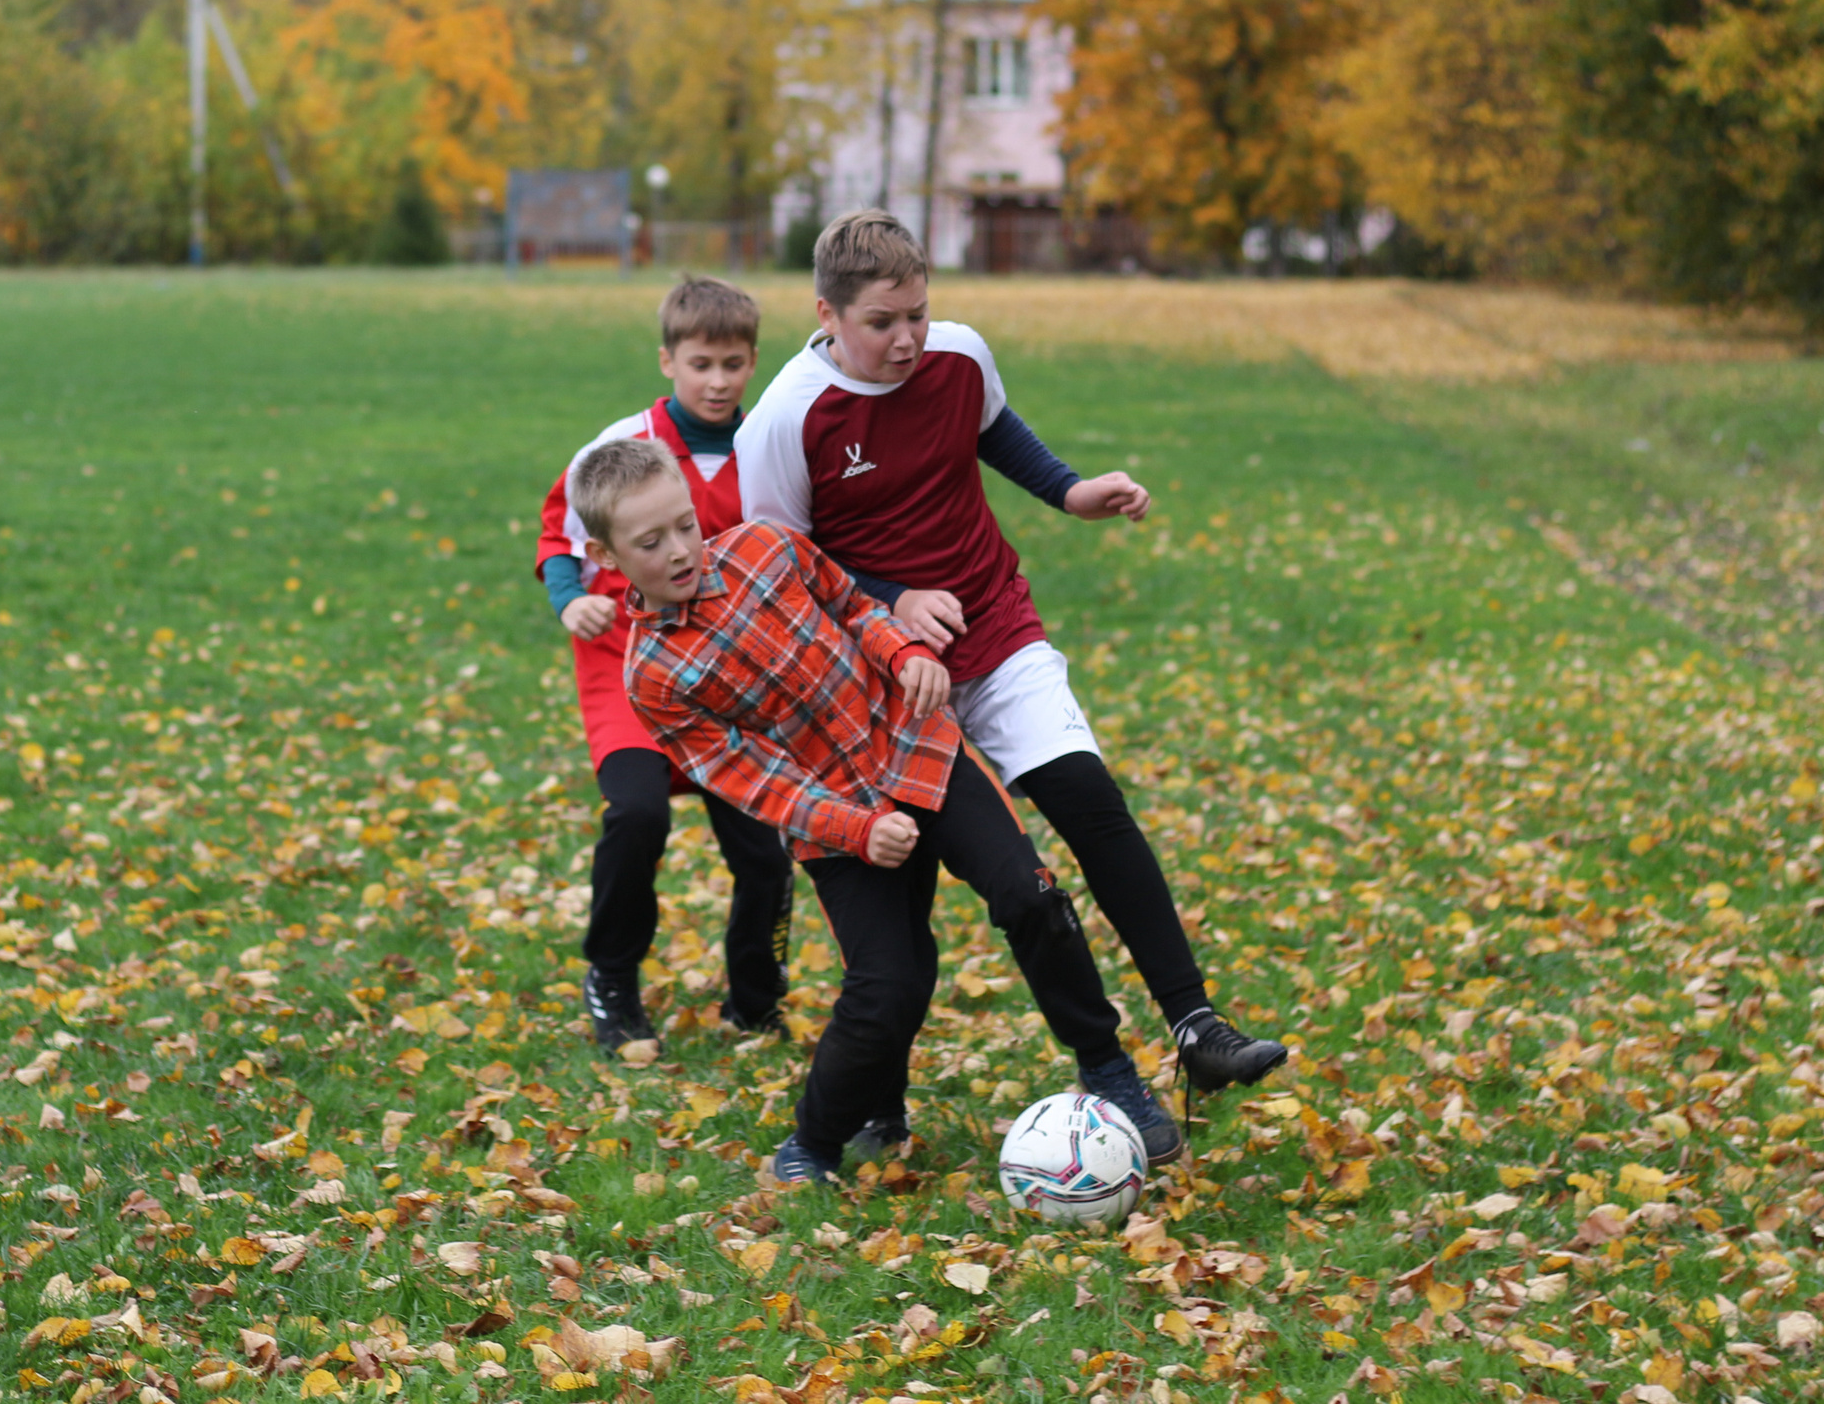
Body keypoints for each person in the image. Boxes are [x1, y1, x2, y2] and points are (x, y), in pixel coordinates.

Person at [735, 210, 1286, 1164]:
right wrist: (894, 603)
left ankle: (1196, 1026)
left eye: (920, 310)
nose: (908, 336)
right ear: (825, 313)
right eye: (882, 321)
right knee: (906, 906)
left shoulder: (957, 356)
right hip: (882, 682)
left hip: (993, 623)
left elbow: (996, 432)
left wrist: (1072, 491)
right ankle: (877, 1100)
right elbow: (781, 576)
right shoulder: (786, 418)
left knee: (1087, 796)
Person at [573, 434, 1137, 1184]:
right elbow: (753, 780)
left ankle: (1105, 1063)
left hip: (918, 748)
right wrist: (858, 830)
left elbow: (851, 602)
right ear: (609, 559)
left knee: (1029, 895)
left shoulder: (768, 546)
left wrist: (903, 652)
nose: (681, 549)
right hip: (835, 821)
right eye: (651, 541)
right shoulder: (654, 675)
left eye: (686, 524)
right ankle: (816, 1140)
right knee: (889, 983)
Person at [534, 276, 795, 1052]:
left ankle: (756, 998)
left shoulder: (769, 453)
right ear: (668, 361)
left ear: (753, 363)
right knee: (638, 814)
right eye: (701, 363)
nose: (717, 381)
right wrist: (568, 599)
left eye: (733, 363)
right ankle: (611, 978)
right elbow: (559, 534)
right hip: (627, 664)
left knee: (766, 844)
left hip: (727, 680)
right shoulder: (622, 447)